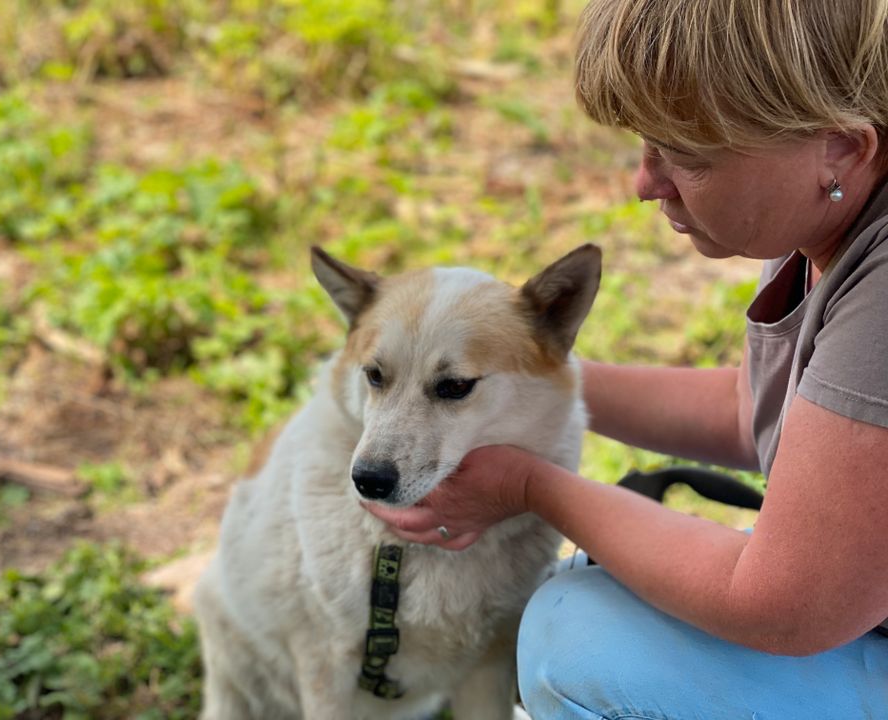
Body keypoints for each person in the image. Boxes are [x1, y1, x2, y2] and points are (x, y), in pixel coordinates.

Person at [364, 0, 888, 717]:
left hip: (813, 612)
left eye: (688, 157)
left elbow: (784, 605)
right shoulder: (821, 212)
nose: (646, 183)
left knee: (575, 641)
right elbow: (762, 412)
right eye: (646, 143)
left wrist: (530, 486)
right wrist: (517, 380)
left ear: (841, 146)